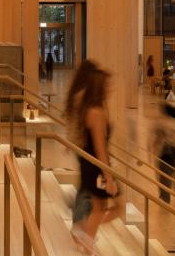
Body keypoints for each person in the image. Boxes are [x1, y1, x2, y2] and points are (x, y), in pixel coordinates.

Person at [67, 64, 122, 254]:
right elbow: (100, 148)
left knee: (101, 208)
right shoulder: (96, 113)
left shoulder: (93, 109)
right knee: (112, 208)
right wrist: (109, 177)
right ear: (99, 87)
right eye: (107, 85)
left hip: (93, 165)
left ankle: (85, 238)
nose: (110, 88)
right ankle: (83, 233)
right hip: (96, 166)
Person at [151, 102, 175, 203]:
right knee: (169, 175)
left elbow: (157, 139)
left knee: (164, 176)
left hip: (166, 153)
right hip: (174, 152)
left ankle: (165, 198)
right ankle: (165, 196)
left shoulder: (162, 124)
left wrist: (152, 150)